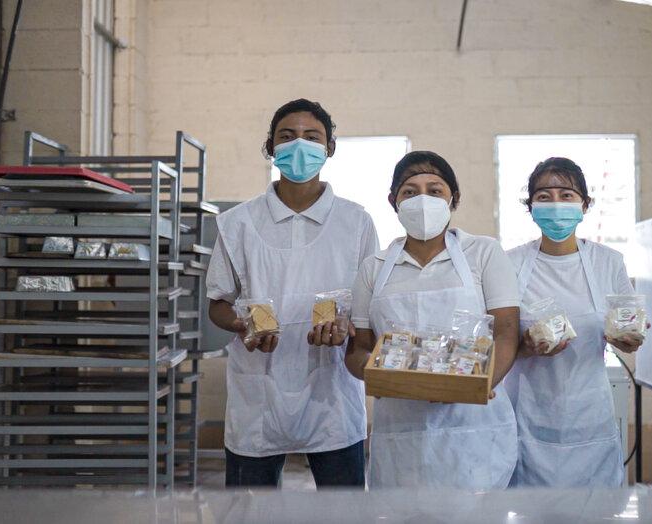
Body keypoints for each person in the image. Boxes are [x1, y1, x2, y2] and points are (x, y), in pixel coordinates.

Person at [205, 98, 379, 488]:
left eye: (311, 136)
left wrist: (347, 329)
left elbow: (369, 308)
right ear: (270, 147)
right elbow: (217, 302)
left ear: (330, 148)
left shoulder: (356, 222)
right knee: (249, 512)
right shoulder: (238, 223)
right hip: (259, 391)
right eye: (287, 136)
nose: (299, 144)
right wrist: (242, 325)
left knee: (342, 511)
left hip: (332, 390)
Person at [344, 151, 521, 490]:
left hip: (473, 427)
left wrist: (477, 384)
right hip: (400, 429)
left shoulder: (483, 253)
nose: (422, 200)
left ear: (454, 199)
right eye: (410, 191)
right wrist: (388, 376)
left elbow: (507, 333)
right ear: (393, 201)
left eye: (435, 190)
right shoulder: (374, 268)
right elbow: (358, 349)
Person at [504, 157, 646, 488]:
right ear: (531, 206)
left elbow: (629, 324)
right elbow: (496, 340)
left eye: (566, 195)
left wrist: (630, 339)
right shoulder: (508, 264)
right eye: (544, 196)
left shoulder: (608, 262)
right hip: (526, 420)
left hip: (590, 419)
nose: (555, 205)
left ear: (585, 204)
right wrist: (525, 348)